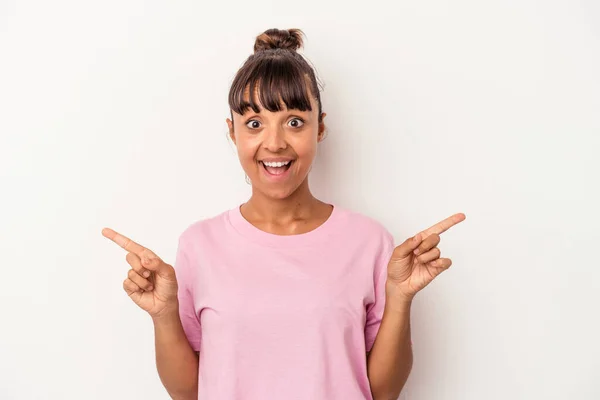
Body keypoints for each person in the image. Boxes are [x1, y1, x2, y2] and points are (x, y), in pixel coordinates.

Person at [102, 28, 465, 400]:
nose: (274, 143)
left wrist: (400, 297)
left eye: (294, 121)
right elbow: (187, 393)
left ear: (319, 127)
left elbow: (383, 392)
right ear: (233, 132)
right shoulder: (199, 245)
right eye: (254, 123)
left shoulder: (370, 242)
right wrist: (163, 315)